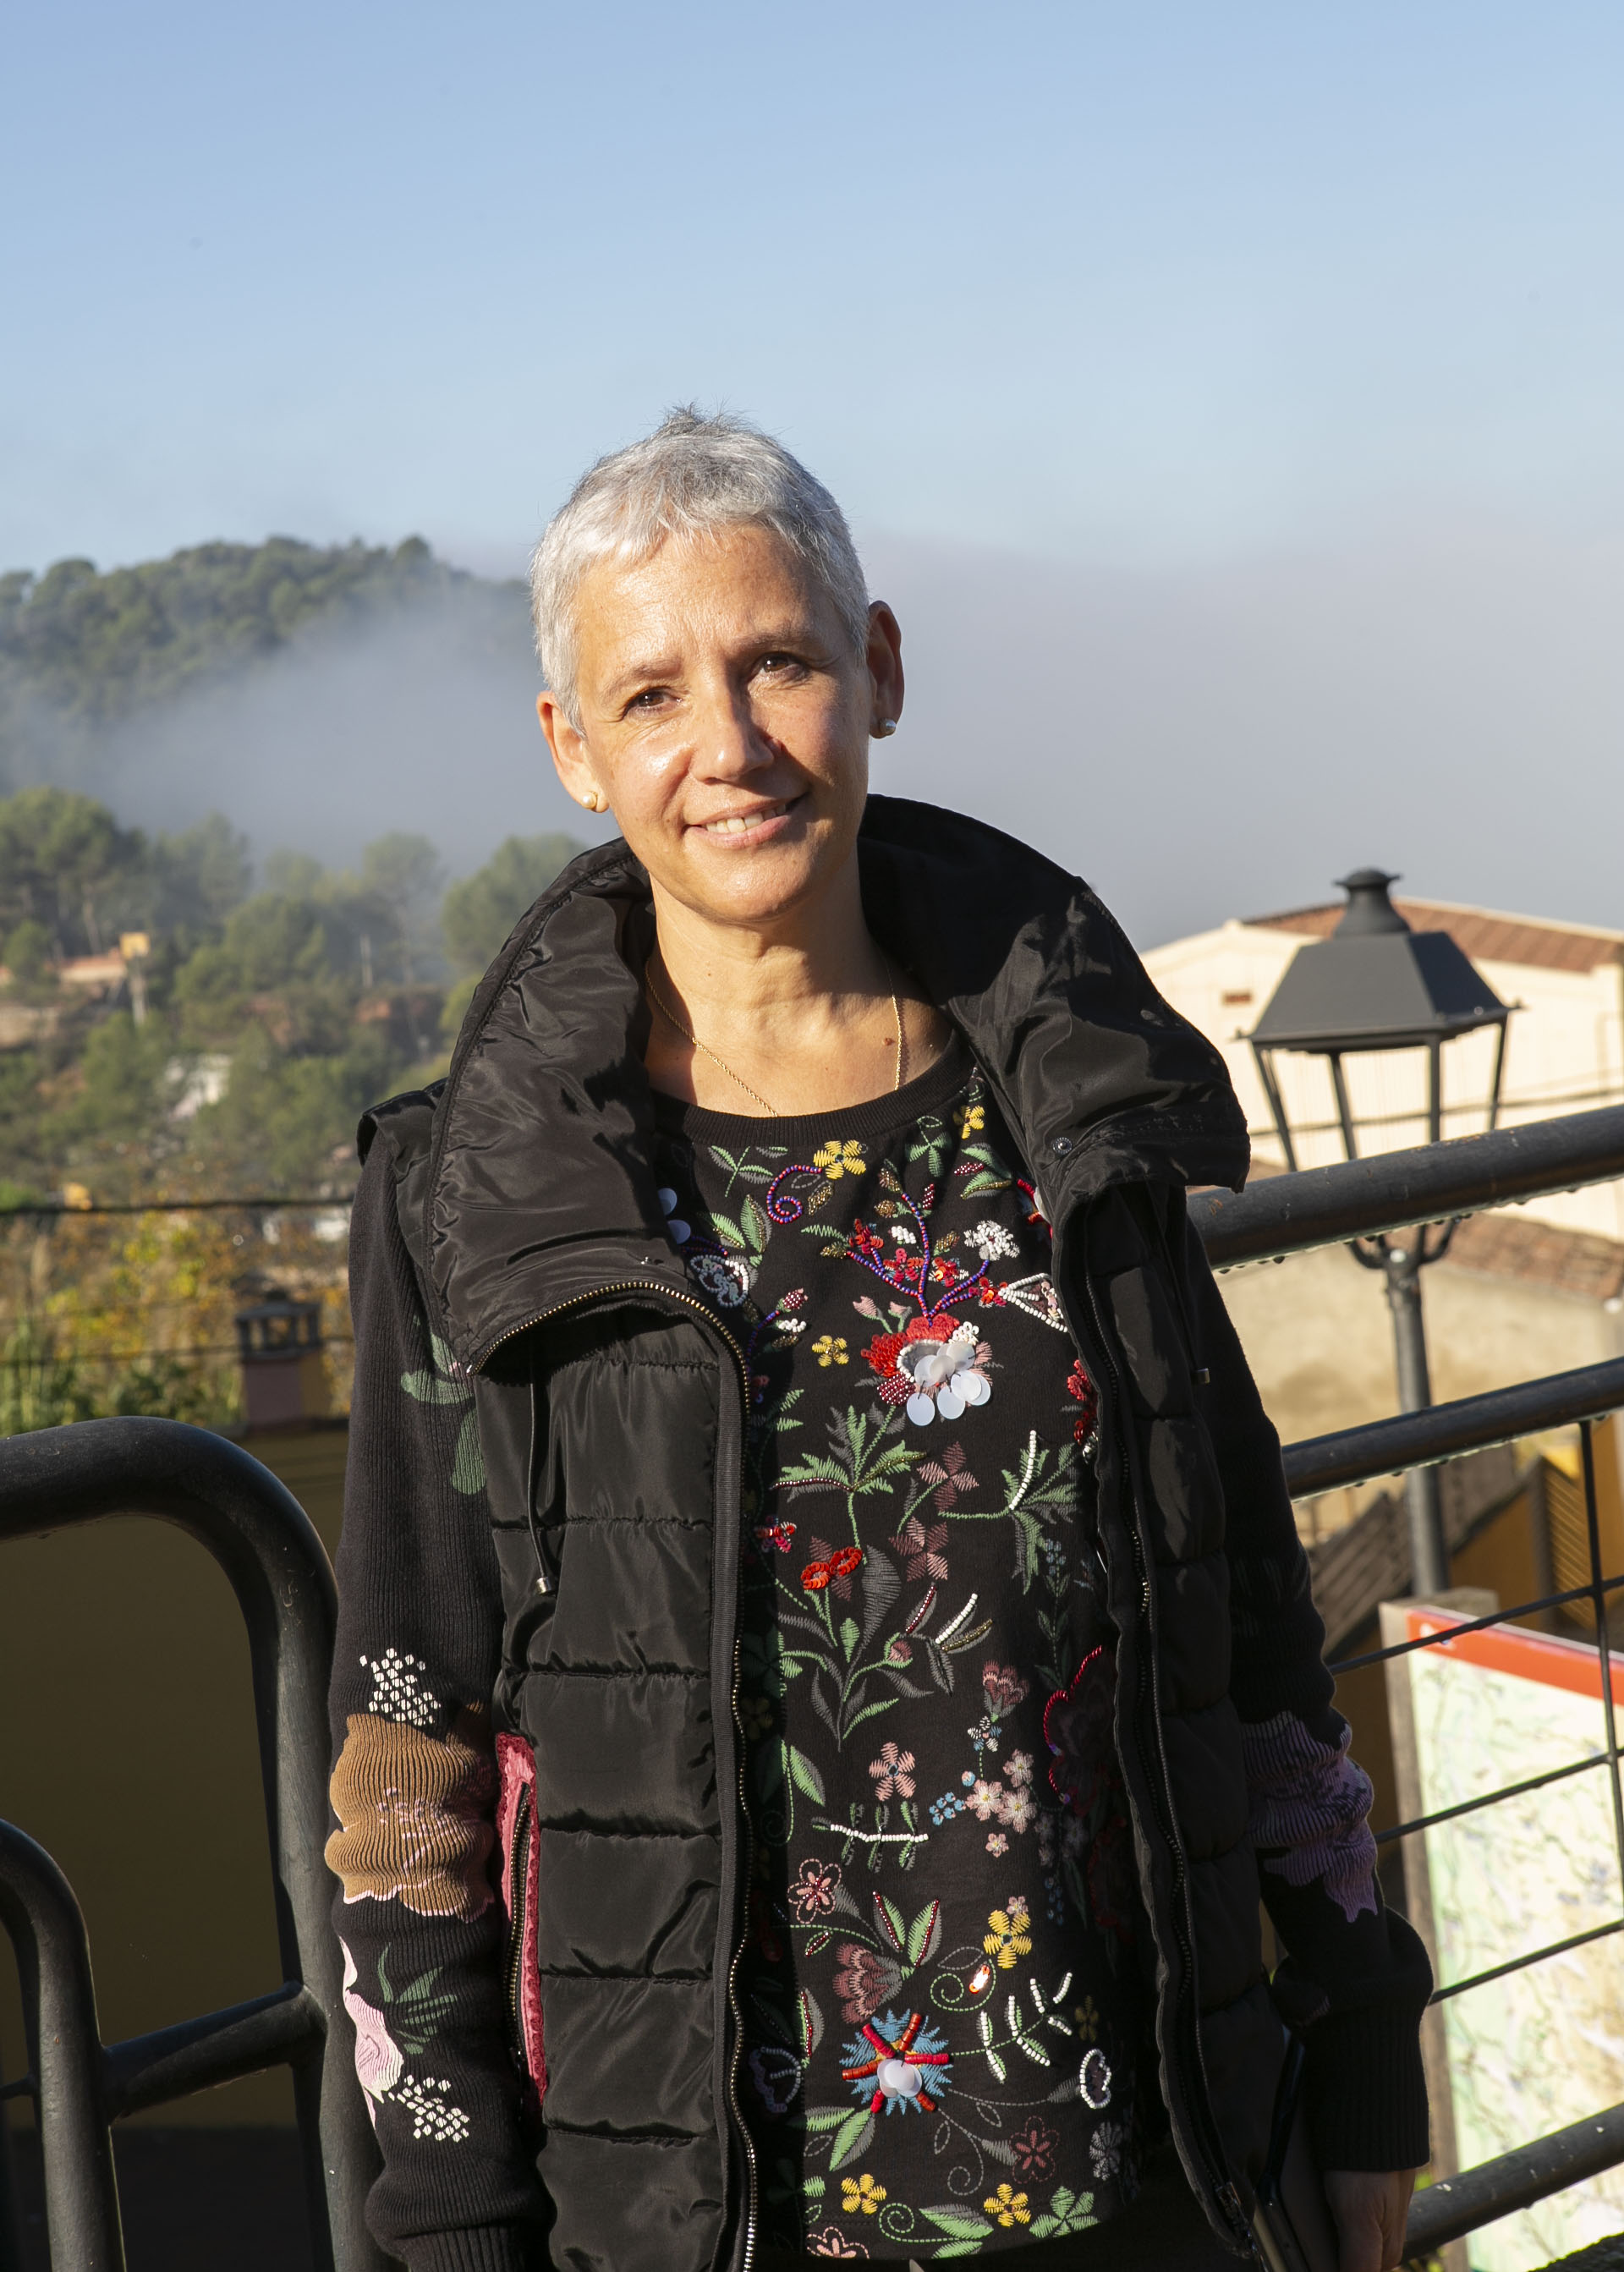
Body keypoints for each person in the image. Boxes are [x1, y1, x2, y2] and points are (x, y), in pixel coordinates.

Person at [325, 410, 1429, 2272]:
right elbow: (407, 1756)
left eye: (779, 662)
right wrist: (452, 2217)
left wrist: (1364, 2056)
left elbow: (1248, 1616)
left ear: (881, 669)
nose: (730, 744)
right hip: (704, 2216)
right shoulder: (473, 1194)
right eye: (653, 694)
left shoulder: (1076, 1111)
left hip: (1148, 2176)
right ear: (574, 750)